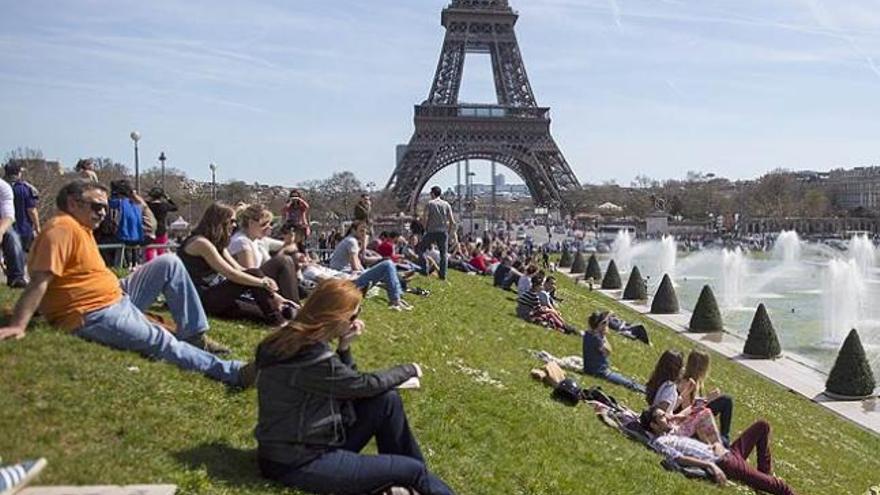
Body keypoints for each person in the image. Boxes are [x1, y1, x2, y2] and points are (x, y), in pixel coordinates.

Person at [0, 180, 251, 387]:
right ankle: (235, 373)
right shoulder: (61, 229)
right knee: (163, 343)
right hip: (93, 312)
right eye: (96, 206)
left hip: (118, 294)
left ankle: (195, 335)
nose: (103, 213)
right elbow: (40, 281)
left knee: (169, 263)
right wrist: (19, 325)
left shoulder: (81, 228)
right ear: (73, 204)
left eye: (104, 207)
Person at [255, 279, 455, 495]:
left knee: (386, 400)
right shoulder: (311, 357)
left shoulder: (290, 340)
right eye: (353, 316)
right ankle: (417, 481)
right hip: (299, 461)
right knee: (414, 470)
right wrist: (409, 369)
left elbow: (347, 387)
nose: (355, 323)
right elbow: (363, 385)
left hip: (303, 445)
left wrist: (344, 347)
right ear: (336, 317)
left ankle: (415, 485)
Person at [178, 202, 292, 326]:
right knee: (254, 273)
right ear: (219, 221)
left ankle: (287, 312)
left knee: (257, 312)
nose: (234, 225)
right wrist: (262, 283)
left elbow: (239, 269)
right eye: (231, 221)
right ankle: (278, 322)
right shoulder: (201, 243)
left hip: (215, 296)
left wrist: (274, 295)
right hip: (199, 298)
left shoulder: (217, 243)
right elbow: (231, 274)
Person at [641, 408, 798, 495]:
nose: (667, 417)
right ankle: (764, 481)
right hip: (724, 462)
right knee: (782, 488)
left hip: (727, 452)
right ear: (654, 426)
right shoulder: (661, 442)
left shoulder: (671, 433)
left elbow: (697, 412)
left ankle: (763, 478)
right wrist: (711, 465)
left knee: (762, 426)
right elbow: (679, 458)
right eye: (662, 417)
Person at [329, 220, 412, 311]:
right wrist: (366, 273)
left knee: (386, 267)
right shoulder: (351, 242)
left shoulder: (349, 241)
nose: (364, 233)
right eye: (361, 231)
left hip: (348, 277)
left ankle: (398, 296)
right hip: (349, 280)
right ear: (353, 230)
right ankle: (396, 300)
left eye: (365, 231)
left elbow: (359, 263)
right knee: (387, 264)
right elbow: (355, 267)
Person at [228, 204, 301, 304]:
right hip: (248, 287)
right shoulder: (241, 241)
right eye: (264, 225)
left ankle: (294, 299)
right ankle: (294, 304)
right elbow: (251, 273)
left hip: (259, 282)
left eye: (270, 224)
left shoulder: (255, 240)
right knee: (283, 261)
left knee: (287, 259)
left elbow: (291, 246)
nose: (268, 228)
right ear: (251, 223)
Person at [678, 350, 735, 445]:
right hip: (688, 423)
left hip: (696, 417)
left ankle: (725, 438)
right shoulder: (687, 382)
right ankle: (724, 440)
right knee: (726, 400)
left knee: (726, 401)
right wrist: (708, 399)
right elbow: (687, 411)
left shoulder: (696, 381)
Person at [582, 311, 645, 393]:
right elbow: (608, 351)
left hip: (589, 369)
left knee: (624, 378)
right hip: (601, 373)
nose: (606, 325)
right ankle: (646, 391)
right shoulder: (597, 339)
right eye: (604, 323)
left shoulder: (588, 334)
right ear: (599, 325)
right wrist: (604, 335)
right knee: (629, 383)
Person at [416, 186, 456, 280]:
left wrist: (425, 228)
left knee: (420, 249)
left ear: (433, 193)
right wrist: (449, 232)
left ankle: (424, 269)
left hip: (431, 231)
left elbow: (424, 218)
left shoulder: (430, 204)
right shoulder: (446, 204)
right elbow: (452, 221)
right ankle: (443, 275)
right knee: (443, 254)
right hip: (443, 232)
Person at [4, 162, 40, 252]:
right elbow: (31, 210)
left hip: (4, 229)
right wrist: (37, 227)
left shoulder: (2, 187)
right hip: (23, 230)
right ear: (18, 173)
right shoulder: (25, 188)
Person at [0, 175, 27, 288]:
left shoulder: (3, 188)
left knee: (12, 236)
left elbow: (9, 216)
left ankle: (16, 278)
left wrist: (0, 232)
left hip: (1, 224)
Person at [145, 187, 178, 262]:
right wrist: (168, 198)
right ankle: (161, 266)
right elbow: (175, 207)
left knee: (149, 250)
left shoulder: (148, 205)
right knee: (161, 250)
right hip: (161, 230)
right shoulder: (164, 205)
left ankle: (150, 265)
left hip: (150, 229)